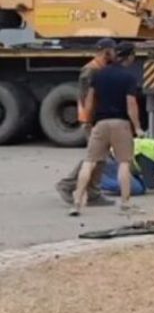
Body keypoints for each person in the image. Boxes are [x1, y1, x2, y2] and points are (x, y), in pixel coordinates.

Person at [71, 42, 145, 216]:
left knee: (89, 163)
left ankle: (76, 203)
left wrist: (88, 120)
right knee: (124, 164)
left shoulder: (99, 75)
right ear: (130, 57)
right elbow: (131, 104)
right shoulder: (129, 78)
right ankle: (126, 204)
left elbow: (89, 99)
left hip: (100, 124)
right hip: (120, 124)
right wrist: (138, 127)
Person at [55, 38, 117, 206]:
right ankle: (67, 185)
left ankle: (93, 193)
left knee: (101, 158)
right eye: (113, 50)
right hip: (92, 120)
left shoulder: (102, 68)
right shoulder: (91, 70)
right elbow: (85, 98)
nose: (115, 53)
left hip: (99, 118)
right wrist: (91, 120)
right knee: (95, 157)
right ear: (106, 51)